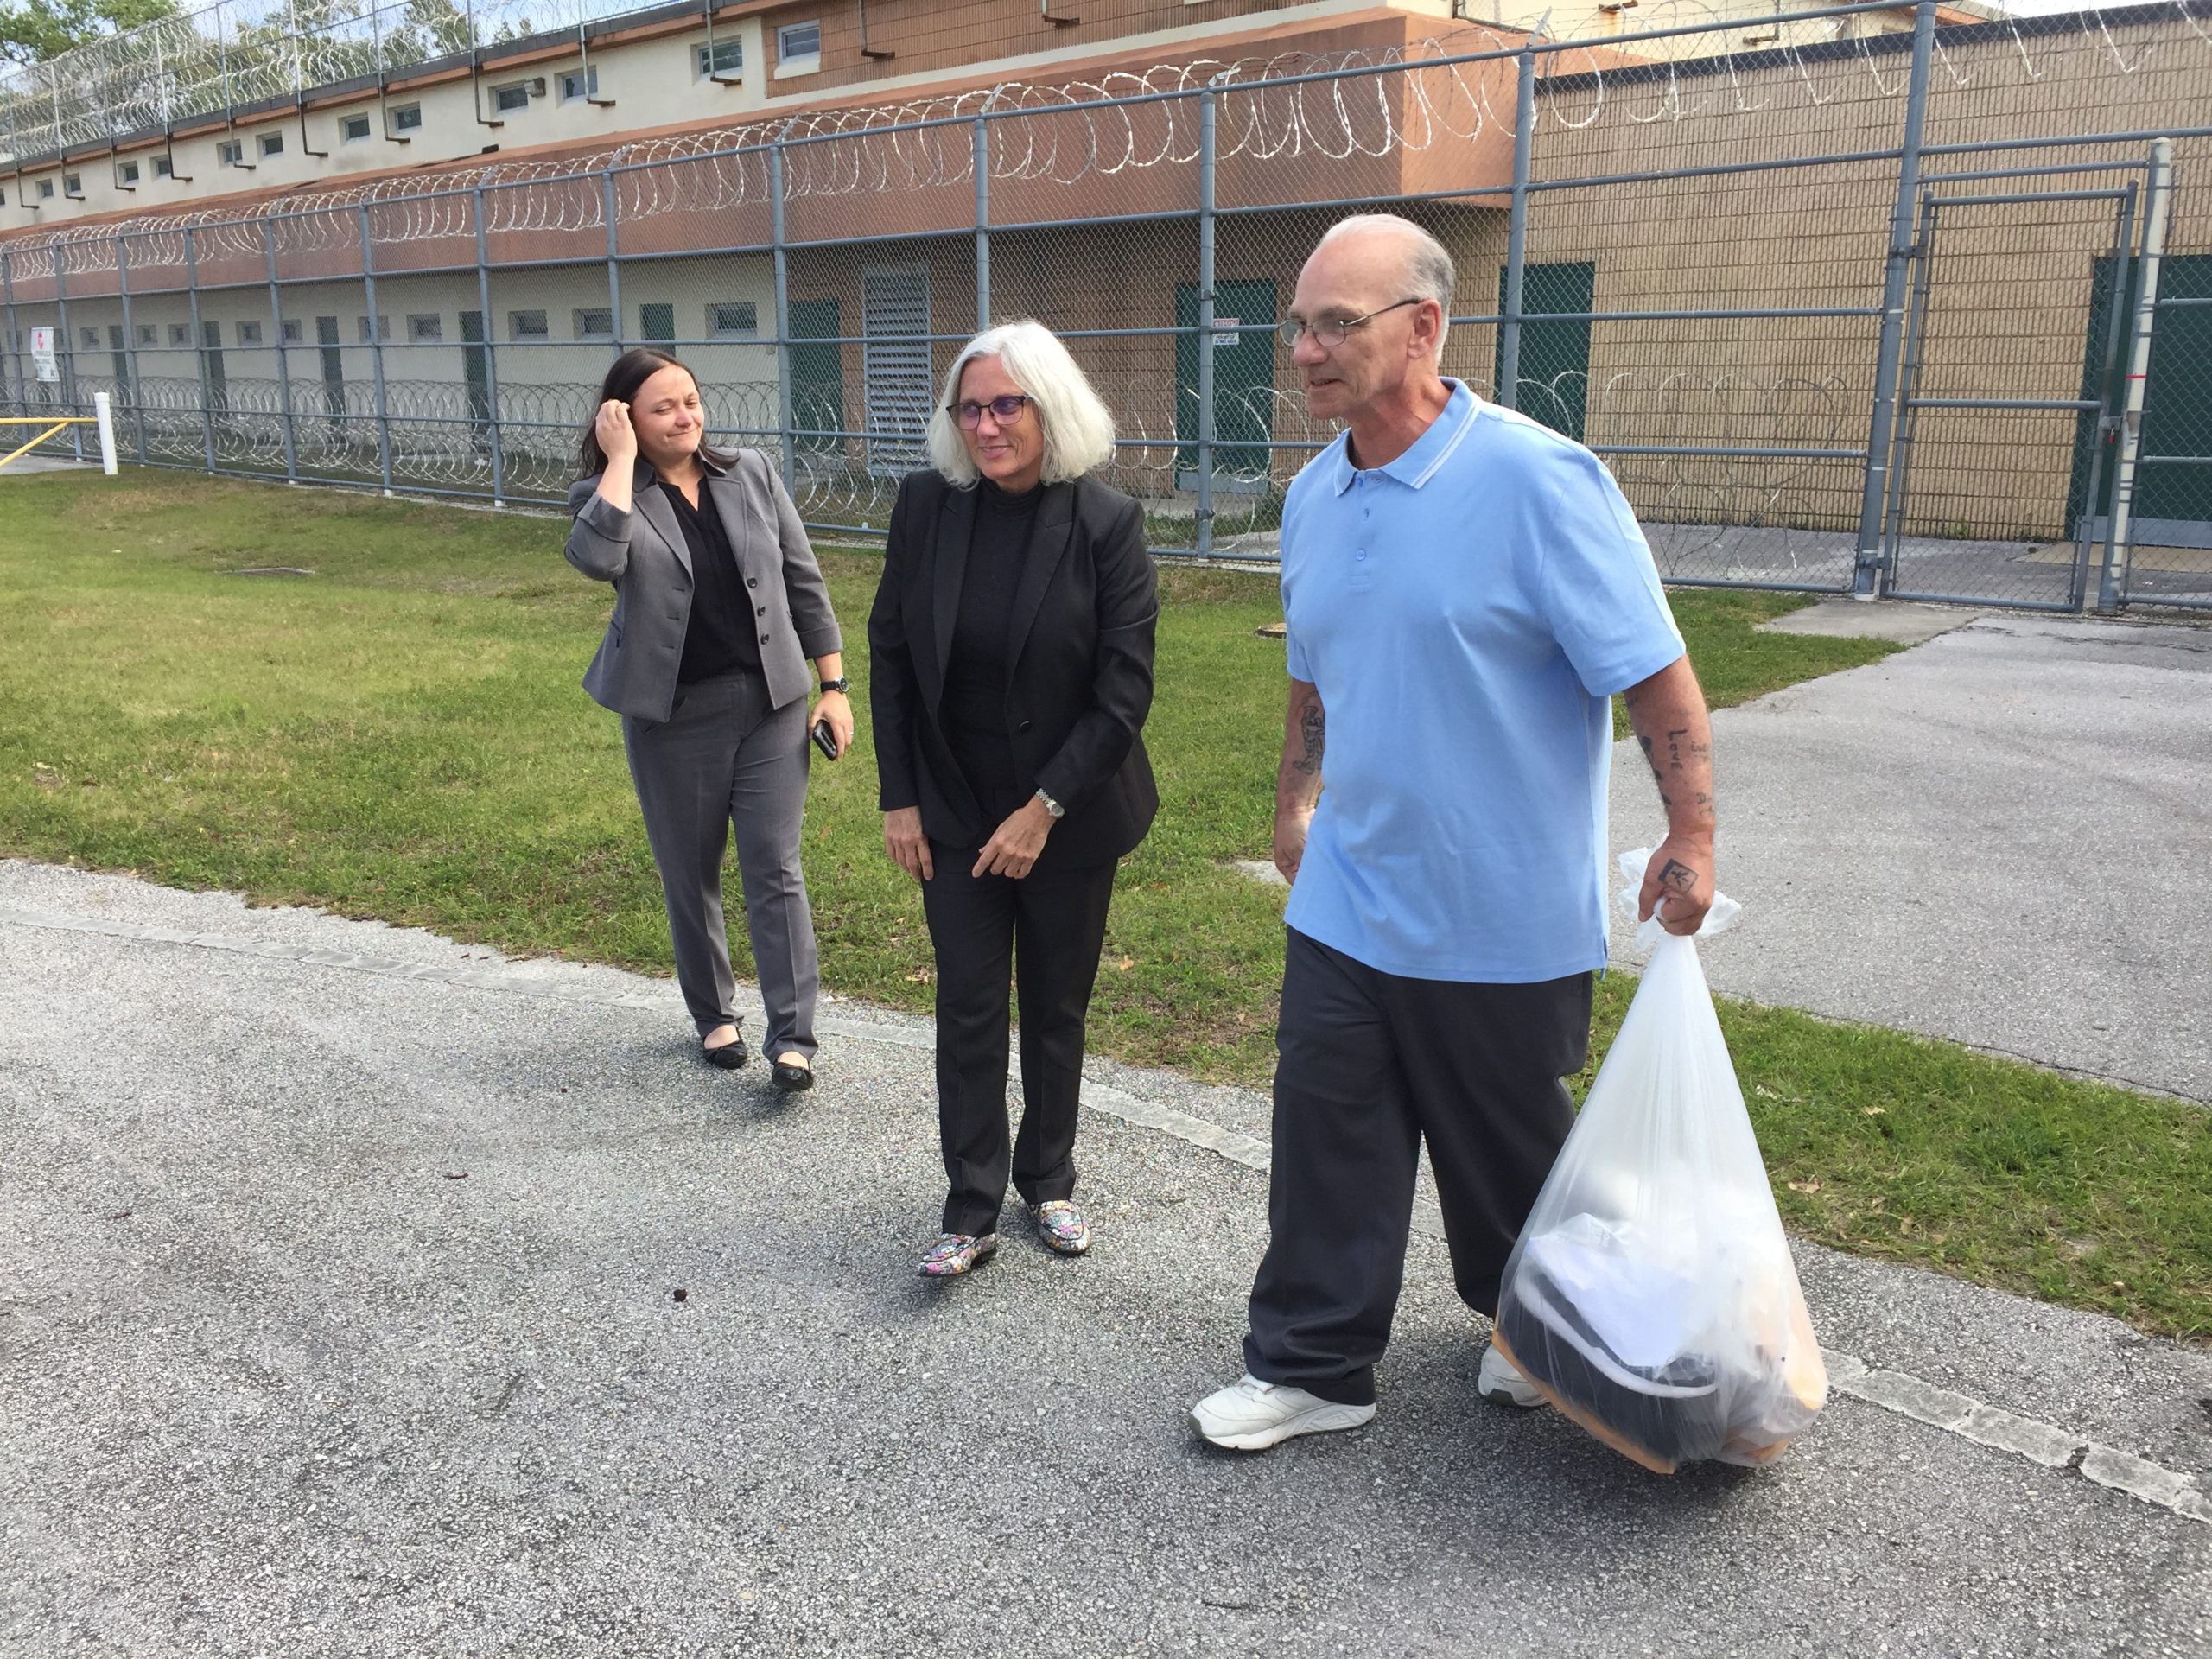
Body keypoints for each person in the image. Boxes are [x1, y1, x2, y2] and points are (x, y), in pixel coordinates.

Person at [1190, 215, 1719, 1451]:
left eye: (1337, 324)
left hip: (1503, 911)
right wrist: (1292, 799)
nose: (1307, 351)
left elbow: (1655, 679)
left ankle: (1533, 1329)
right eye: (1300, 326)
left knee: (1509, 1163)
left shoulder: (1541, 481)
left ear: (1424, 329)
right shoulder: (1317, 495)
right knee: (1327, 1132)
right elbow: (1315, 674)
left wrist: (1690, 827)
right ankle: (1313, 1362)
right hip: (1350, 895)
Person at [868, 320, 1160, 1278]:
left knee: (1056, 1004)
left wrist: (1045, 810)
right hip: (952, 811)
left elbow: (1123, 690)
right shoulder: (926, 507)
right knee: (967, 1003)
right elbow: (893, 658)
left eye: (1006, 404)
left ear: (1048, 406)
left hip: (1067, 816)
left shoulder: (1105, 523)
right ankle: (971, 1205)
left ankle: (1051, 1178)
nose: (987, 425)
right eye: (971, 407)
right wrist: (899, 797)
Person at [564, 348, 853, 1091]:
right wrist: (621, 460)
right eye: (662, 407)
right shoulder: (603, 494)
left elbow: (802, 577)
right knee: (689, 872)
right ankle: (713, 1014)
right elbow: (598, 559)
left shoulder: (750, 472)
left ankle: (793, 1038)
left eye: (690, 400)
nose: (685, 416)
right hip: (674, 714)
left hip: (773, 705)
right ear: (624, 418)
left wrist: (834, 684)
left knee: (775, 868)